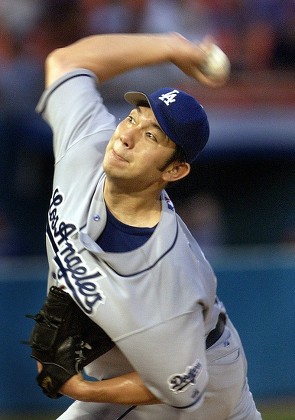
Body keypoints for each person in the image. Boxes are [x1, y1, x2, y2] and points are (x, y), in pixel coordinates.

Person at [36, 32, 261, 419]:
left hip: (194, 385)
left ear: (175, 170)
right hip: (165, 361)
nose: (126, 137)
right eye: (132, 118)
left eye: (150, 135)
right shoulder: (88, 144)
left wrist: (81, 389)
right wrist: (170, 48)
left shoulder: (167, 273)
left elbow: (182, 386)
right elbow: (66, 63)